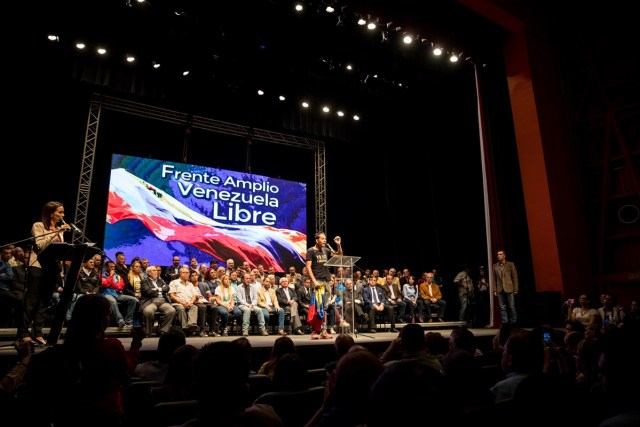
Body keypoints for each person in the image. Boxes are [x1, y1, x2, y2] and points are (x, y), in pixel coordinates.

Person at [17, 201, 72, 346]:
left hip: (52, 268)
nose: (63, 215)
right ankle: (23, 332)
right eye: (60, 212)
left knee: (45, 302)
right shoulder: (38, 226)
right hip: (38, 266)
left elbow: (58, 250)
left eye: (63, 212)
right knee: (32, 300)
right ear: (50, 212)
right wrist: (57, 232)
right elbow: (40, 245)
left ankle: (37, 332)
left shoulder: (58, 229)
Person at [305, 232, 342, 340]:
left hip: (326, 281)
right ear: (317, 240)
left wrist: (338, 244)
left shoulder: (326, 250)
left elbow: (340, 255)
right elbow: (308, 267)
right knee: (317, 307)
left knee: (324, 308)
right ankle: (314, 331)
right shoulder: (311, 251)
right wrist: (314, 281)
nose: (325, 240)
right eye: (322, 238)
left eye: (325, 238)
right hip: (317, 281)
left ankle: (323, 331)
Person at [492, 249, 519, 325]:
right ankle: (505, 323)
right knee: (502, 307)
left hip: (509, 288)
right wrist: (495, 290)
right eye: (498, 255)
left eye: (500, 254)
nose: (499, 256)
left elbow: (515, 277)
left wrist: (515, 289)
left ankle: (513, 322)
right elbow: (494, 279)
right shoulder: (495, 266)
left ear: (504, 255)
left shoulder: (510, 264)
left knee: (511, 306)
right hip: (500, 288)